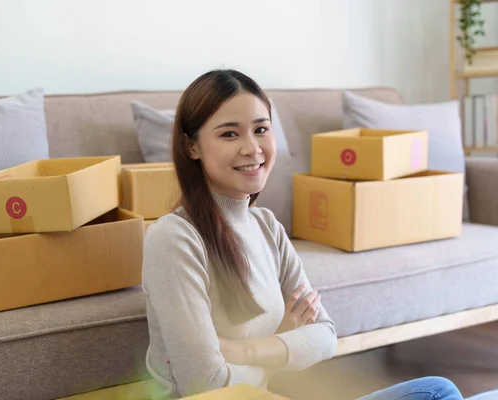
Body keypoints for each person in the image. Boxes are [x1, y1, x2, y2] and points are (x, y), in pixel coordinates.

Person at [141, 69, 464, 400]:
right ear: (191, 146)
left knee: (437, 390)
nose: (252, 148)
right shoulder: (175, 239)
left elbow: (325, 335)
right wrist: (285, 346)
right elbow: (206, 384)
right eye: (229, 135)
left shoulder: (266, 227)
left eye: (261, 129)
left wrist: (248, 350)